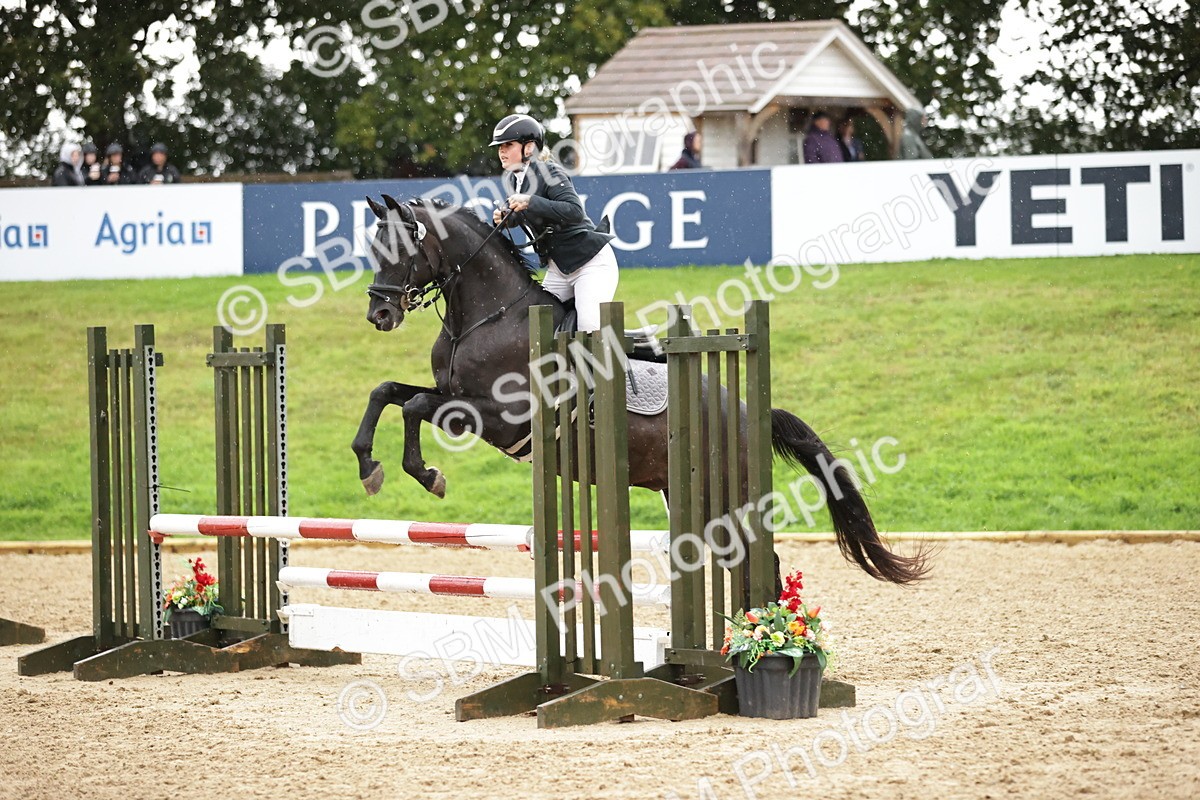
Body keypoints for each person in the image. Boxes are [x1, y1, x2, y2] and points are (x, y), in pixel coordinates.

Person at [490, 113, 618, 332]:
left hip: (590, 264)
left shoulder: (550, 171)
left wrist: (530, 201)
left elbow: (574, 211)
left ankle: (621, 354)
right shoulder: (514, 179)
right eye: (500, 146)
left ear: (529, 148)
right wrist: (505, 219)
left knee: (589, 329)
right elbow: (524, 215)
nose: (502, 151)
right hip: (559, 269)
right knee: (537, 327)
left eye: (508, 145)